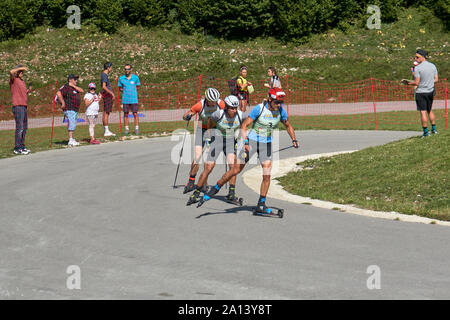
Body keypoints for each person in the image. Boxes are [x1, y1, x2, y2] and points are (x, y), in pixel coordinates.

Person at [199, 88, 299, 214]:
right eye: (276, 102)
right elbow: (244, 125)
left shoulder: (280, 111)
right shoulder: (259, 108)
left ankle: (261, 203)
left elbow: (288, 125)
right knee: (236, 169)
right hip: (251, 142)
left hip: (266, 144)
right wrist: (245, 142)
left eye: (280, 103)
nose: (278, 105)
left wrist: (294, 140)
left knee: (267, 174)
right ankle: (214, 189)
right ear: (270, 99)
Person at [187, 95, 245, 205]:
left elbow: (244, 126)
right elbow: (209, 122)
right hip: (217, 140)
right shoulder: (218, 114)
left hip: (230, 141)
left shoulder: (241, 115)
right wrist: (209, 135)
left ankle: (231, 193)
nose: (234, 110)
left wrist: (240, 138)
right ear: (226, 107)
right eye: (231, 108)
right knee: (209, 167)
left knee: (233, 166)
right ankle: (197, 192)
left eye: (235, 108)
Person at [181, 88, 225, 194]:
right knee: (197, 157)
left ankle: (204, 182)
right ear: (206, 99)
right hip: (202, 129)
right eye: (211, 101)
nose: (214, 103)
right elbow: (187, 114)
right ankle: (191, 181)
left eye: (215, 101)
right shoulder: (200, 105)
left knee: (208, 159)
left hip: (214, 130)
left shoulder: (221, 104)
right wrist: (188, 116)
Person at [404, 49, 438, 137]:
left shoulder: (418, 68)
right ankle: (434, 129)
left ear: (423, 57)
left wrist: (407, 83)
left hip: (421, 92)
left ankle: (426, 133)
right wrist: (429, 82)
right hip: (430, 91)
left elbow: (416, 83)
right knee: (429, 110)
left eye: (417, 57)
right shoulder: (433, 66)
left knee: (423, 112)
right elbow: (436, 79)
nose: (415, 58)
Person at [9, 64, 32, 155]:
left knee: (24, 127)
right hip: (17, 106)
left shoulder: (22, 81)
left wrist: (28, 90)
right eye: (21, 72)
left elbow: (24, 93)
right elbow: (11, 72)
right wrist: (21, 68)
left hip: (24, 106)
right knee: (20, 127)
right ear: (17, 72)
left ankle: (22, 146)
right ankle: (17, 147)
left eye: (22, 72)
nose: (22, 73)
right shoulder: (13, 80)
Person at [57, 74, 84, 146]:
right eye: (75, 79)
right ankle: (70, 139)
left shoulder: (74, 87)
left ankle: (71, 138)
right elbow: (59, 93)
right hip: (69, 108)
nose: (76, 81)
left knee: (73, 122)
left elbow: (82, 90)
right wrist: (62, 103)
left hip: (74, 109)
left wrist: (73, 86)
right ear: (70, 80)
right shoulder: (66, 87)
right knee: (72, 122)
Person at [118, 64, 141, 135]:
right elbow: (120, 88)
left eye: (128, 69)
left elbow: (137, 86)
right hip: (125, 99)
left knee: (135, 113)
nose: (127, 70)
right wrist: (126, 91)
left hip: (134, 99)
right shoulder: (121, 78)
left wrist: (132, 91)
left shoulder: (135, 77)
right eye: (125, 69)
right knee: (125, 114)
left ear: (130, 69)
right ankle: (126, 129)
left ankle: (137, 128)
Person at [101, 62, 116, 137]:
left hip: (106, 95)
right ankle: (106, 131)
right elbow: (103, 86)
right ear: (108, 67)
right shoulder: (104, 75)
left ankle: (106, 130)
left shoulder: (105, 75)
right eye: (111, 67)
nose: (111, 69)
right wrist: (111, 93)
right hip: (107, 96)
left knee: (106, 112)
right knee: (106, 113)